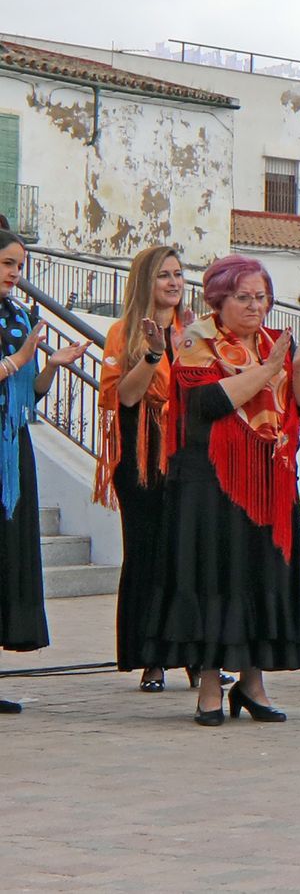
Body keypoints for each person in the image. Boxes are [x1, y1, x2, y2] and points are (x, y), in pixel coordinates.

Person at [140, 255, 300, 726]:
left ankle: (252, 682)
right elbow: (205, 405)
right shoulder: (195, 340)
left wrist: (298, 367)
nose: (255, 306)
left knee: (260, 577)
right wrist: (268, 371)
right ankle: (208, 686)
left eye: (261, 297)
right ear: (218, 299)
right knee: (213, 577)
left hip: (268, 480)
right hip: (209, 482)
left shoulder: (271, 344)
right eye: (243, 297)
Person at [94, 245, 204, 694]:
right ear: (146, 282)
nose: (174, 283)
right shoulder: (124, 333)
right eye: (164, 275)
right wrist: (155, 355)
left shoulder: (195, 331)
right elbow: (124, 396)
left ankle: (196, 657)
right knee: (147, 554)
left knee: (188, 555)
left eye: (179, 274)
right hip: (143, 451)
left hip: (188, 451)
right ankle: (151, 658)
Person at [1, 229, 91, 713]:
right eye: (7, 264)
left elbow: (27, 392)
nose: (15, 274)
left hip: (12, 446)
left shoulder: (18, 315)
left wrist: (52, 364)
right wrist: (17, 358)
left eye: (19, 265)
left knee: (6, 559)